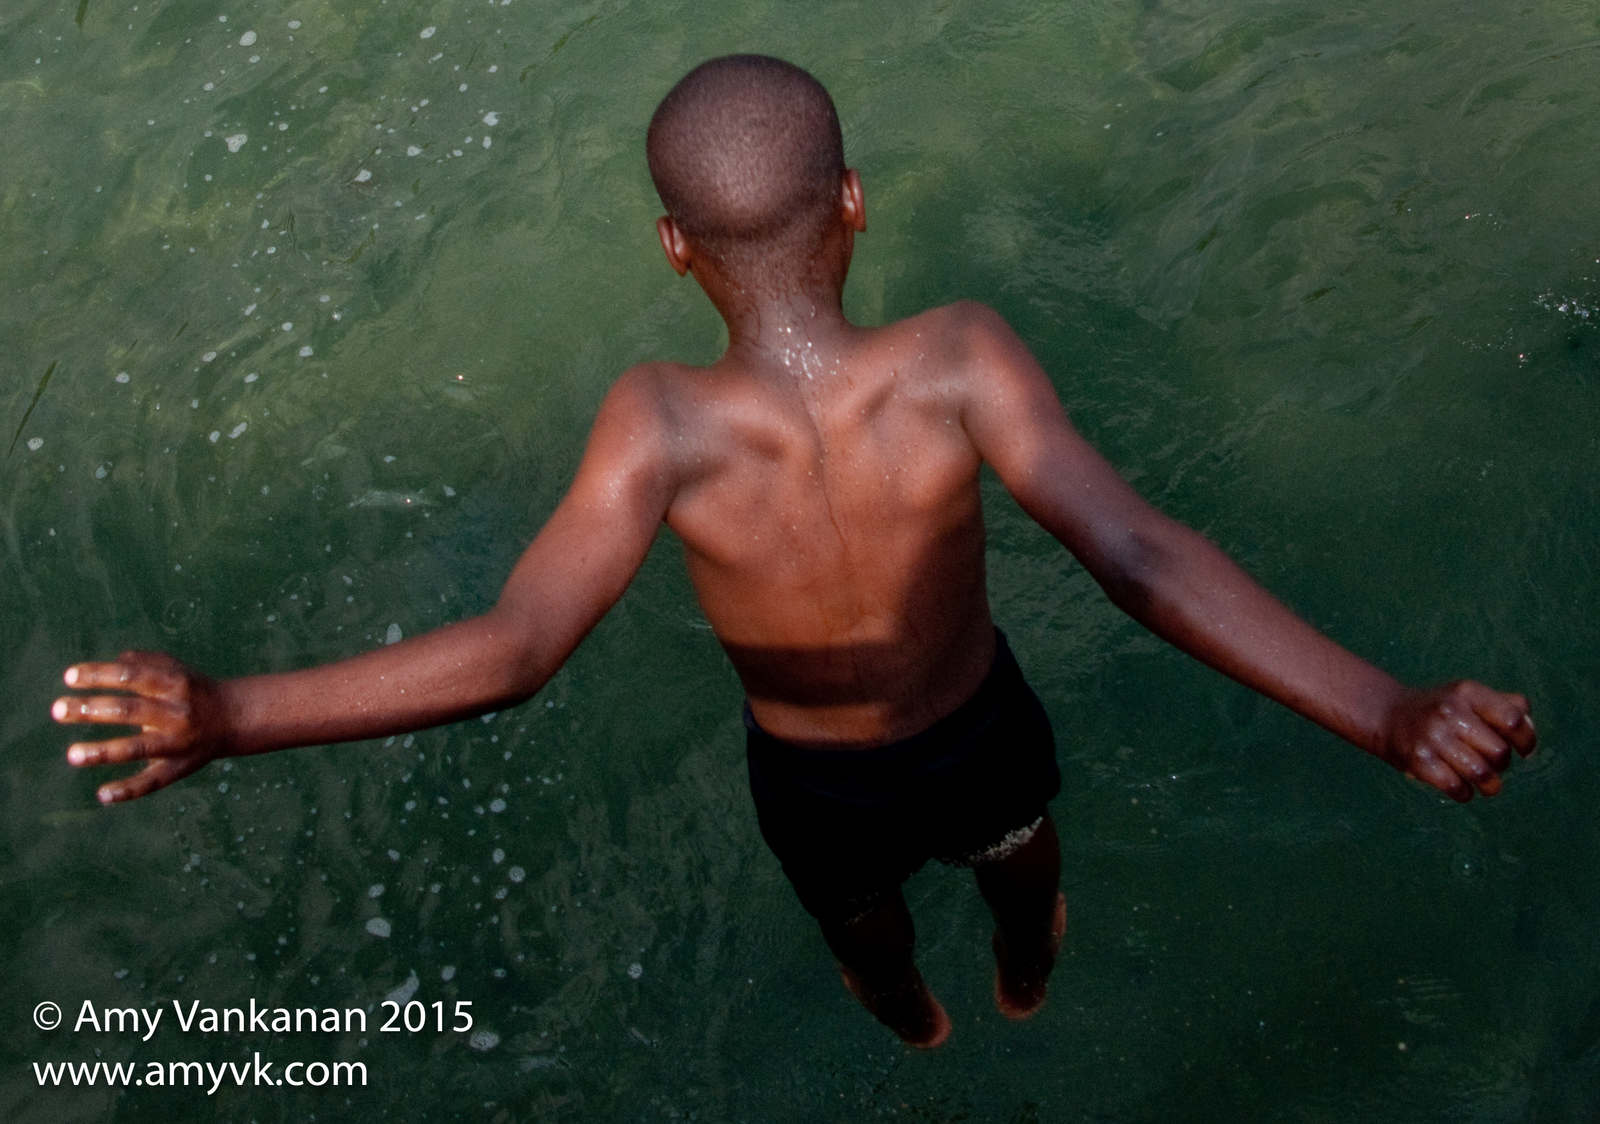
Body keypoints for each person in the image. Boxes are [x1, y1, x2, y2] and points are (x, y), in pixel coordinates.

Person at [52, 55, 1536, 1049]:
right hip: (978, 728)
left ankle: (910, 1017)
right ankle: (1027, 968)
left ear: (674, 248)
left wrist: (233, 712)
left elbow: (515, 650)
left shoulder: (658, 424)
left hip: (816, 782)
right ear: (855, 203)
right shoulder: (960, 358)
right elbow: (1138, 555)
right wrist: (1382, 709)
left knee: (863, 926)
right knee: (1021, 853)